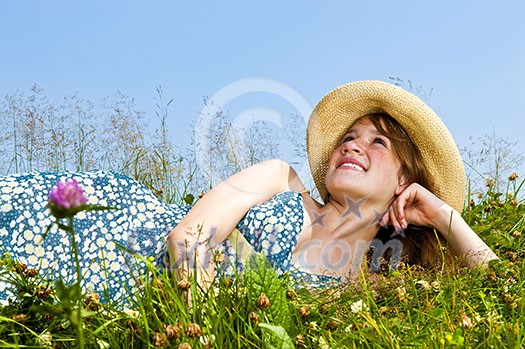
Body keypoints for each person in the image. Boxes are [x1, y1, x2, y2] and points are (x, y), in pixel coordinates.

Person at [0, 80, 497, 303]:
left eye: (377, 142)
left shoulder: (376, 281)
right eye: (349, 136)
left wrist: (441, 212)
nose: (354, 144)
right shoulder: (280, 179)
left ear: (403, 183)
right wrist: (204, 328)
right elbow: (187, 238)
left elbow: (502, 287)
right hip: (114, 237)